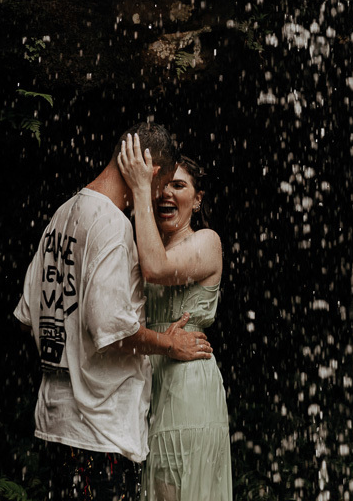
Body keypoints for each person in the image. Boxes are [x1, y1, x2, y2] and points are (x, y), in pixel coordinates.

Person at [14, 122, 214, 501]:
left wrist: (73, 353)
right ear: (150, 172)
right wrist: (169, 344)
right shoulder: (112, 226)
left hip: (58, 421)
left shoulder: (63, 214)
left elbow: (29, 317)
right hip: (100, 430)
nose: (158, 198)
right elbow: (112, 330)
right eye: (162, 186)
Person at [117, 134, 232, 501]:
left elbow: (156, 268)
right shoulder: (143, 243)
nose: (166, 193)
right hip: (151, 380)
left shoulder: (207, 242)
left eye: (178, 186)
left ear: (197, 199)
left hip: (188, 383)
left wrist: (140, 188)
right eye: (161, 185)